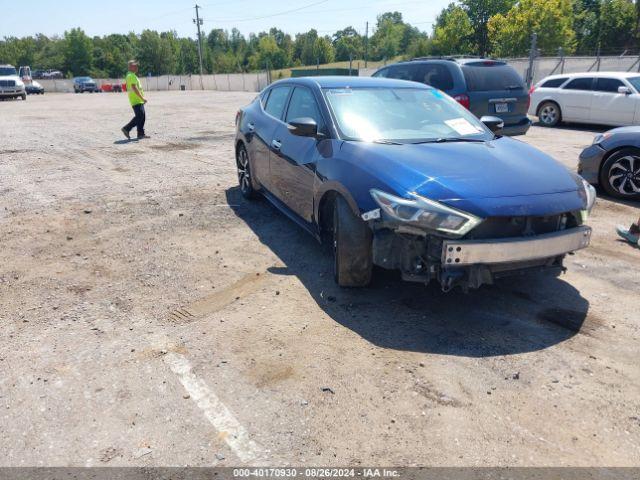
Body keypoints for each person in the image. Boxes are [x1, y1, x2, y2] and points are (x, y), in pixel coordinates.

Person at [121, 60, 148, 140]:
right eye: (135, 66)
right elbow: (134, 87)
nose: (137, 67)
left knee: (142, 116)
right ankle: (126, 128)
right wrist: (142, 98)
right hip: (136, 100)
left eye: (137, 66)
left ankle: (140, 133)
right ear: (130, 67)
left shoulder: (131, 75)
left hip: (136, 100)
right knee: (140, 116)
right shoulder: (131, 75)